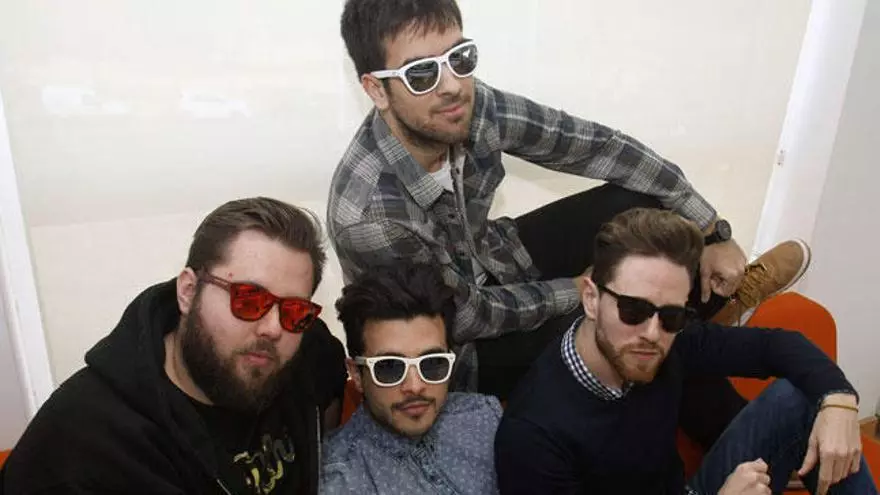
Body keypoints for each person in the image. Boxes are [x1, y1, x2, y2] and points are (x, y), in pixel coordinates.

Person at [328, 0, 810, 449]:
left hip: (491, 258)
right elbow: (466, 315)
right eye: (421, 73)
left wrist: (710, 229)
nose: (452, 84)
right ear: (377, 89)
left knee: (644, 207)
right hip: (457, 349)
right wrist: (577, 292)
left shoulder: (464, 105)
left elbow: (599, 148)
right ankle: (753, 433)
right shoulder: (370, 216)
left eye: (460, 57)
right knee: (617, 323)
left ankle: (703, 305)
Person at [493, 208, 876, 495]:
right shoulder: (533, 435)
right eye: (633, 310)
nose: (652, 334)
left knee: (806, 395)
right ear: (591, 299)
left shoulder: (670, 340)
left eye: (672, 315)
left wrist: (840, 400)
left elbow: (778, 345)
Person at [1, 198, 348, 495]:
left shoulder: (307, 349)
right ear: (188, 291)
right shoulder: (83, 447)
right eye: (248, 300)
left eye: (294, 311)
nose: (273, 328)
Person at [322, 263, 501, 494]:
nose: (415, 386)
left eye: (432, 363)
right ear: (357, 373)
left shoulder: (485, 417)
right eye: (389, 367)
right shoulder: (336, 481)